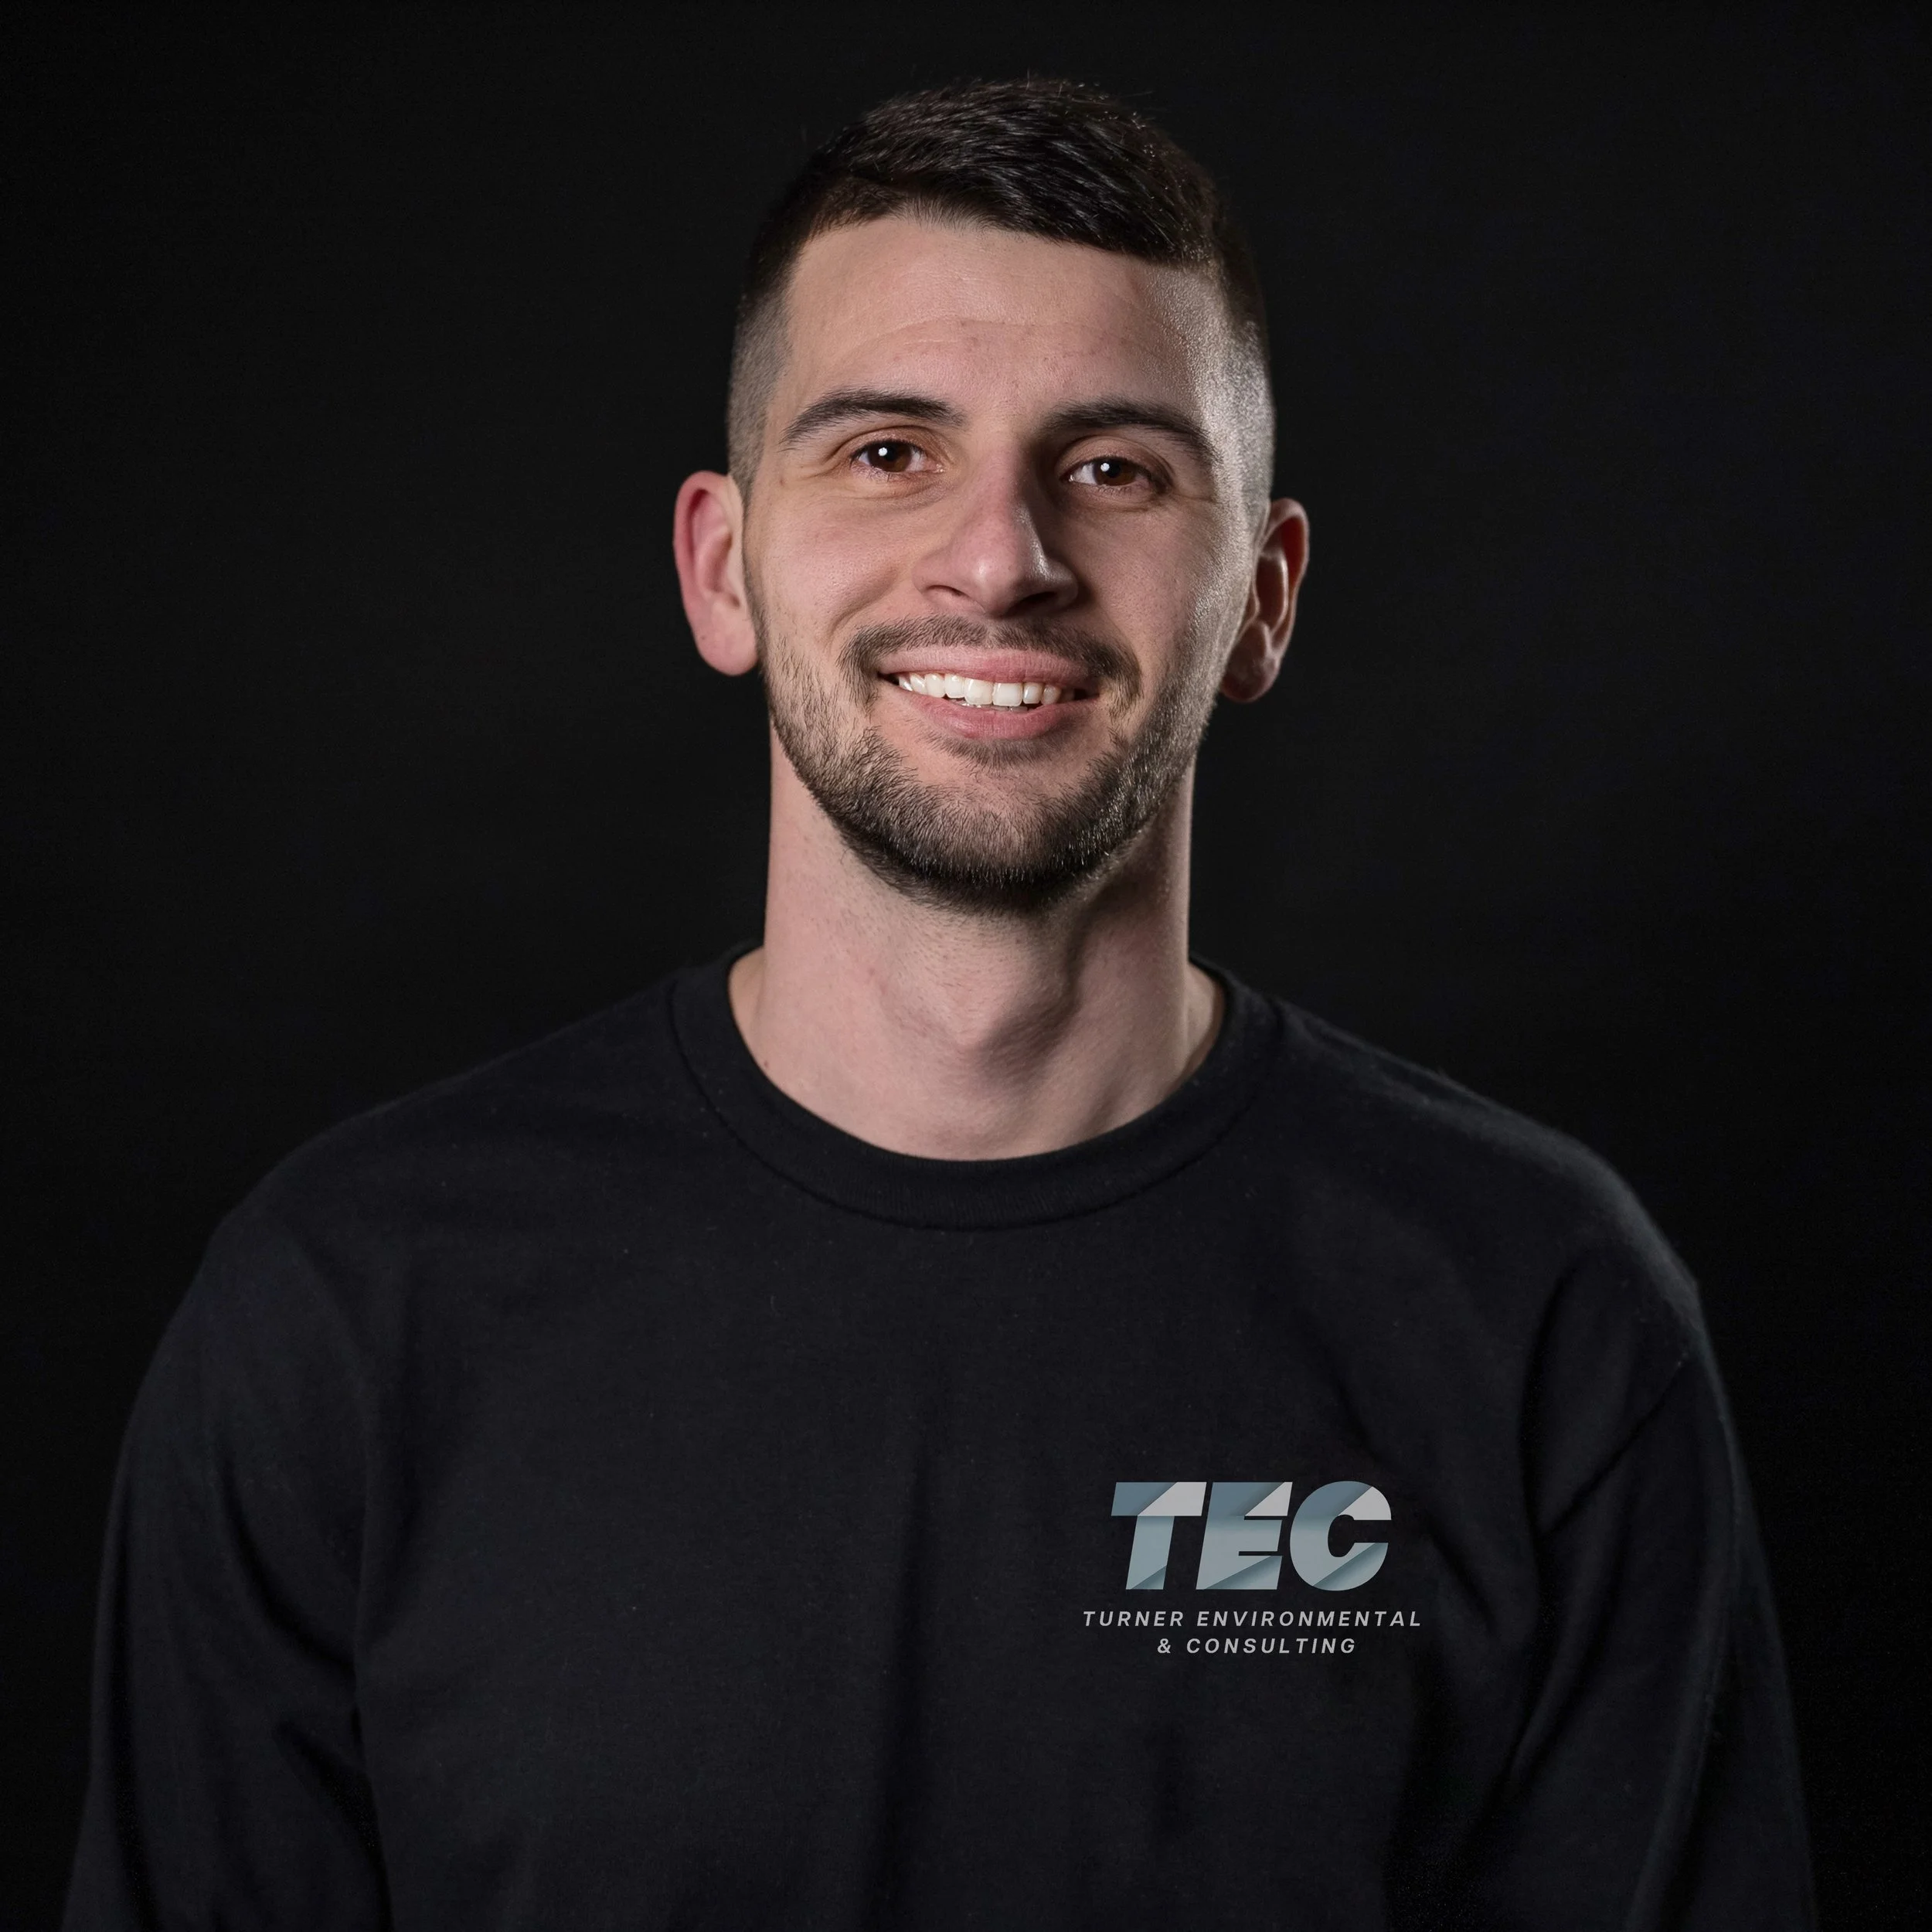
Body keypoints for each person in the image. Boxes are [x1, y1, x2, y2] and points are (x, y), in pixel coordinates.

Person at [64, 78, 1815, 1930]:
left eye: (1114, 466)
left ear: (1261, 600)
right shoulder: (348, 1308)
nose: (1000, 559)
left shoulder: (1536, 1310)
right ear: (723, 565)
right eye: (887, 451)